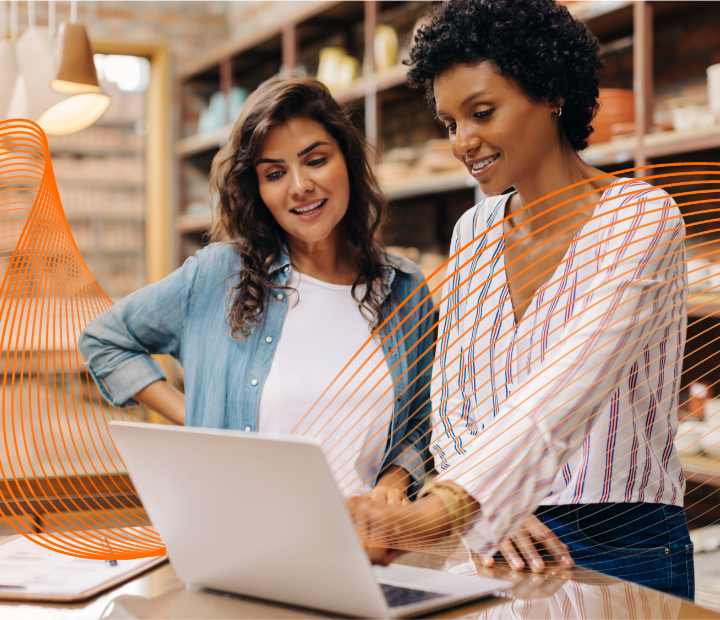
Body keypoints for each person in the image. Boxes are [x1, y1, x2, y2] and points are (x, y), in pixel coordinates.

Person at [350, 0, 693, 600]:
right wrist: (488, 510)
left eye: (482, 113)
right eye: (450, 123)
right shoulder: (473, 231)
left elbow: (575, 377)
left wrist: (461, 502)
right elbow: (453, 397)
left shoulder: (640, 218)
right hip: (494, 540)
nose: (463, 142)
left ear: (551, 92)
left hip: (621, 542)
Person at [79, 75, 435, 502]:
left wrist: (394, 484)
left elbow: (421, 420)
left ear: (348, 161)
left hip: (371, 550)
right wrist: (195, 420)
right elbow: (104, 340)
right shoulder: (220, 275)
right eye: (275, 173)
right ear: (258, 190)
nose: (300, 186)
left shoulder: (404, 287)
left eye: (316, 160)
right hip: (244, 538)